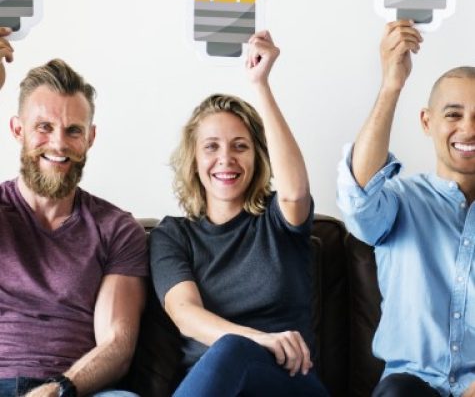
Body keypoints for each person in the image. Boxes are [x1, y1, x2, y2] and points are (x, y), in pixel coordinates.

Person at [150, 31, 329, 397]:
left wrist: (260, 85)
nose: (226, 159)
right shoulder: (173, 235)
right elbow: (185, 313)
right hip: (216, 385)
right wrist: (258, 339)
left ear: (257, 156)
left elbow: (296, 191)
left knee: (232, 348)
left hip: (289, 381)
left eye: (240, 146)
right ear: (195, 160)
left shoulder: (278, 222)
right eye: (211, 147)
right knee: (231, 349)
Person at [0, 26, 148, 397]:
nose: (58, 144)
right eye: (44, 128)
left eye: (73, 131)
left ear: (91, 138)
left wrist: (58, 388)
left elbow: (116, 344)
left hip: (74, 391)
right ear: (17, 129)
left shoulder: (117, 228)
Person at [337, 19, 475, 397]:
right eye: (453, 115)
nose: (468, 129)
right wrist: (391, 84)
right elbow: (358, 195)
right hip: (411, 388)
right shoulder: (400, 201)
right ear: (427, 123)